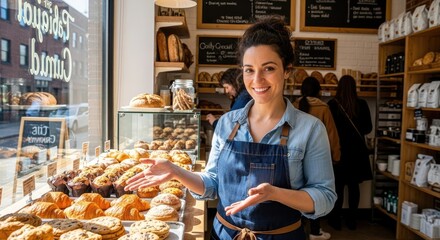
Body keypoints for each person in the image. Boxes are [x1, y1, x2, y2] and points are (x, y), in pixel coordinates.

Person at [125, 15, 336, 240]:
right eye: (249, 70)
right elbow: (212, 184)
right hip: (224, 234)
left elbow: (324, 198)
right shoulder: (227, 124)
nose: (257, 80)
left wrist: (275, 194)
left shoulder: (310, 129)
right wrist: (177, 172)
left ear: (287, 71)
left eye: (269, 68)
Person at [293, 76, 341, 240]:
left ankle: (297, 229)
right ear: (319, 90)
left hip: (296, 158)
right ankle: (315, 231)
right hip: (317, 159)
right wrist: (336, 156)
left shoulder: (294, 106)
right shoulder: (323, 108)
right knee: (315, 193)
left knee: (297, 195)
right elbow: (331, 134)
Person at [327, 75, 373, 231]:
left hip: (339, 152)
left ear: (339, 87)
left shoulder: (332, 105)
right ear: (354, 88)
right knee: (354, 187)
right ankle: (352, 220)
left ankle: (335, 220)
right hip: (357, 153)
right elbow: (368, 129)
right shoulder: (362, 104)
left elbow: (328, 130)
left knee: (338, 187)